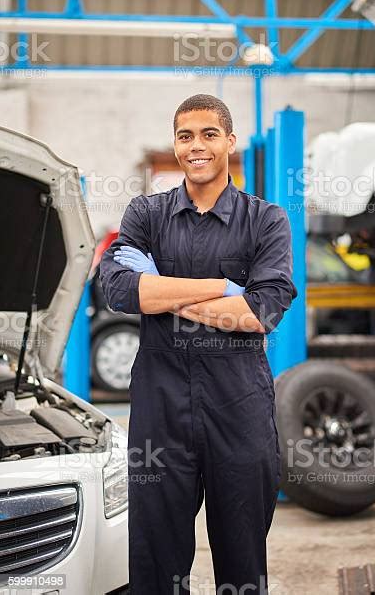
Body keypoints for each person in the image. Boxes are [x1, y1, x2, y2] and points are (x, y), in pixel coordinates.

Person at [100, 93, 298, 594]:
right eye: (185, 136)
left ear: (230, 141)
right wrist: (223, 289)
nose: (196, 146)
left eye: (209, 134)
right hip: (159, 407)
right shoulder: (147, 214)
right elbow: (120, 289)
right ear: (175, 143)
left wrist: (162, 290)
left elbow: (261, 312)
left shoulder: (266, 220)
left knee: (241, 555)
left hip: (239, 407)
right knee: (154, 557)